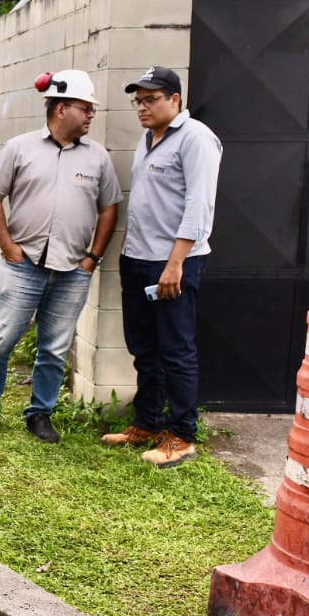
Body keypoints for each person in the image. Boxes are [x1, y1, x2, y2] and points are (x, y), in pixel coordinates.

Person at [0, 69, 121, 443]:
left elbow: (109, 207)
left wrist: (93, 257)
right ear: (61, 108)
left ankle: (40, 414)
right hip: (23, 265)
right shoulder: (20, 148)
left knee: (55, 347)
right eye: (85, 108)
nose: (91, 114)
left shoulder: (98, 158)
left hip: (73, 270)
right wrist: (7, 246)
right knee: (0, 340)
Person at [101, 66, 222, 467]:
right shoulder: (149, 139)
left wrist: (176, 265)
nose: (143, 107)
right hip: (138, 258)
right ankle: (148, 423)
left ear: (175, 99)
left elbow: (199, 206)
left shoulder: (196, 139)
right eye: (138, 100)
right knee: (144, 349)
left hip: (172, 264)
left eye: (151, 99)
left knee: (176, 351)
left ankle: (182, 436)